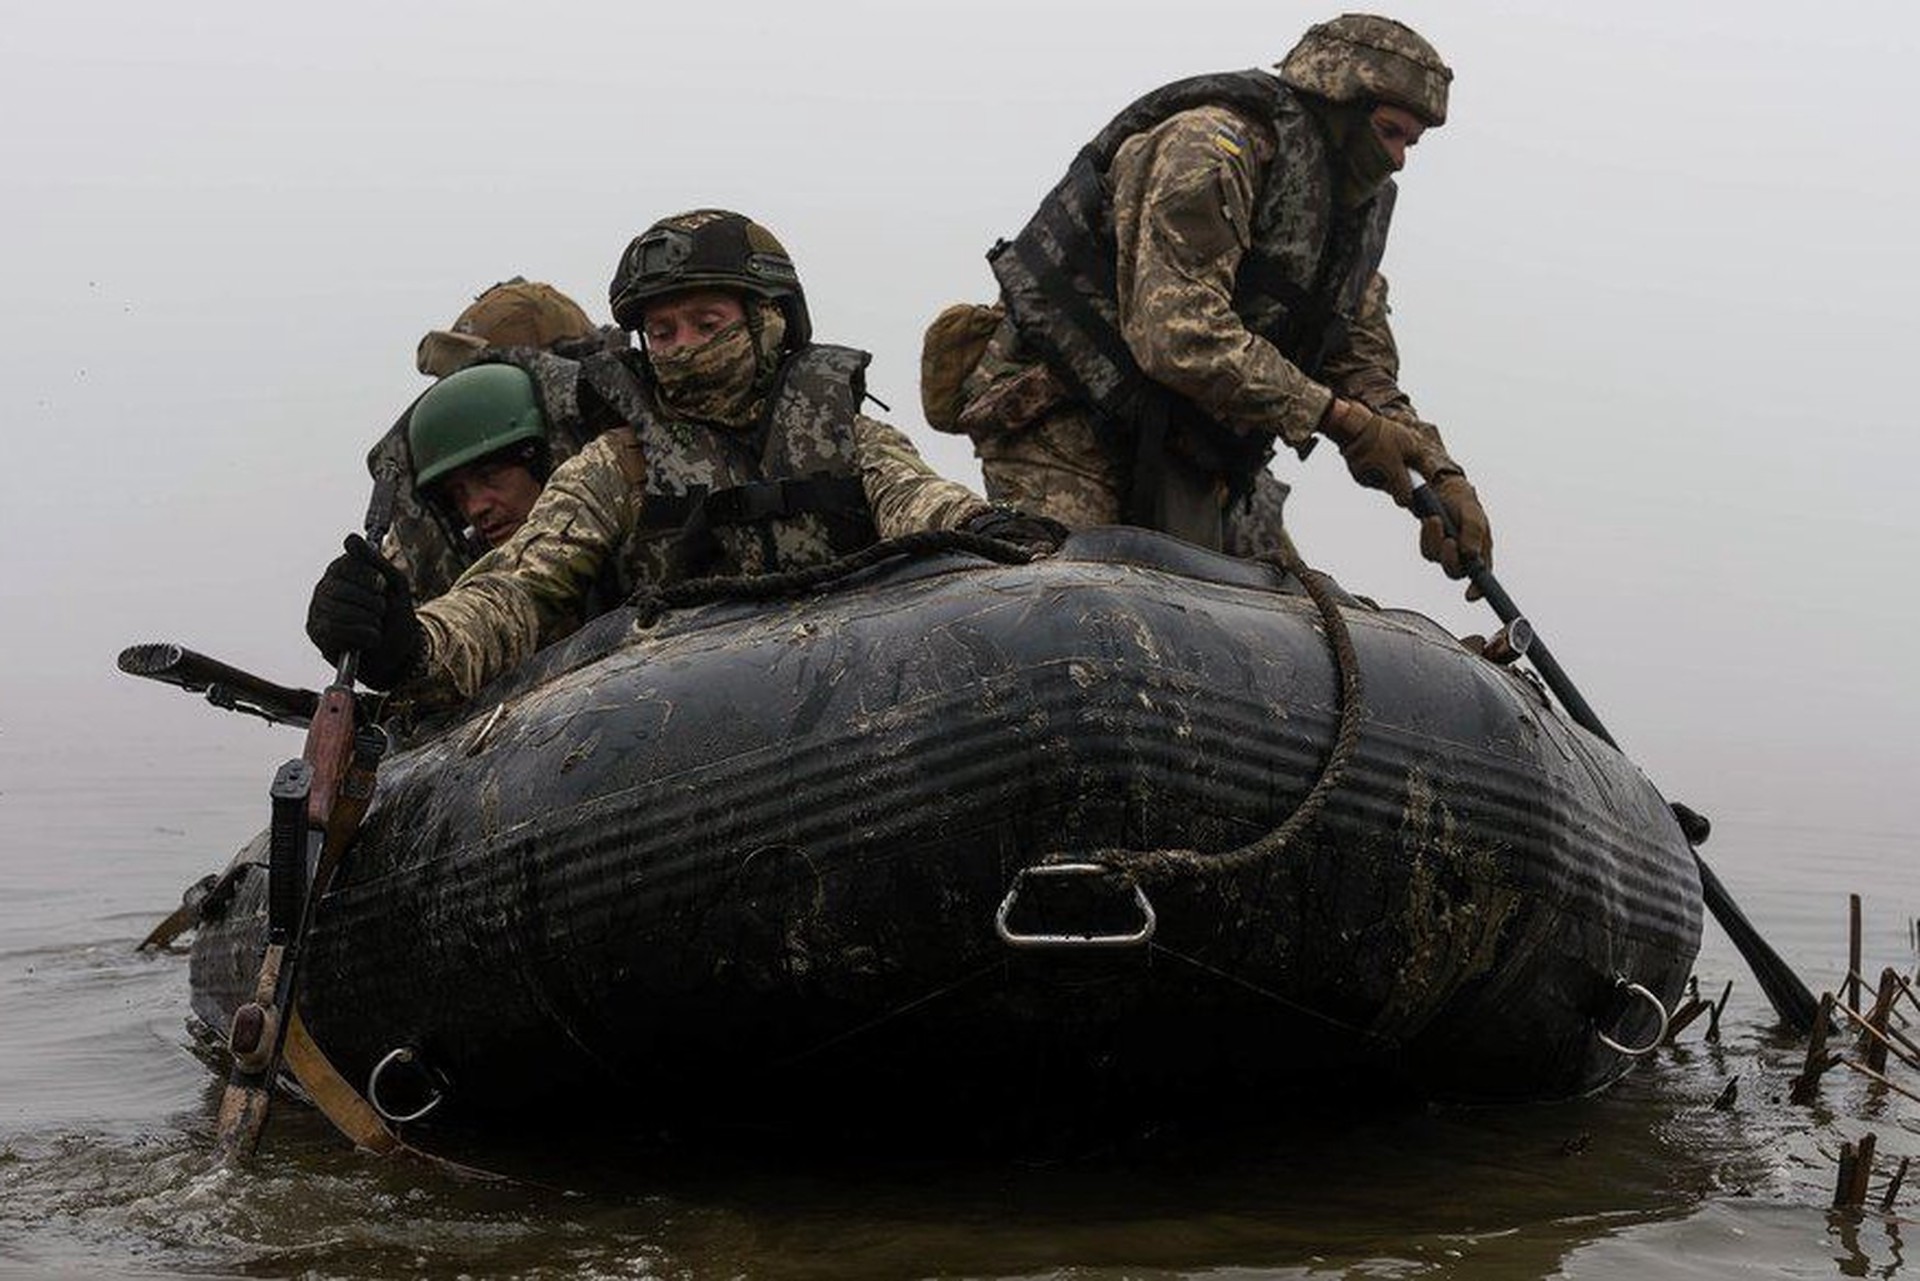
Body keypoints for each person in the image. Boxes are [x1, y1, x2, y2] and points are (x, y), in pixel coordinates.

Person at [308, 209, 1060, 706]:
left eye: (707, 322)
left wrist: (992, 533)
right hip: (682, 725)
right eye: (662, 333)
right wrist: (411, 644)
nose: (684, 349)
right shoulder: (616, 466)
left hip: (852, 695)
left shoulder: (846, 437)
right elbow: (515, 591)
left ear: (769, 322)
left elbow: (920, 503)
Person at [939, 13, 1491, 586]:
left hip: (1200, 458)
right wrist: (1340, 420)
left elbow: (1358, 360)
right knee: (1080, 606)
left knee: (1293, 632)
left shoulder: (1352, 219)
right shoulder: (1210, 147)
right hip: (1069, 422)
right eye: (1390, 132)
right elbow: (1177, 334)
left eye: (1413, 143)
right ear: (1339, 102)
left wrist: (1437, 470)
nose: (1399, 159)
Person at [373, 278, 623, 602]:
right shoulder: (427, 539)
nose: (476, 507)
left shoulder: (641, 469)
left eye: (490, 475)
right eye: (458, 490)